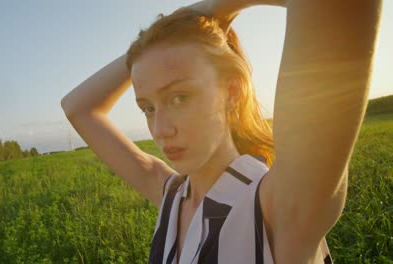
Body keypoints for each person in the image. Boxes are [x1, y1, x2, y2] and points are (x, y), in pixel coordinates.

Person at [61, 0, 382, 263]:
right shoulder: (172, 196)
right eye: (148, 107)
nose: (160, 130)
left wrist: (221, 7)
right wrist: (187, 21)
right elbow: (78, 108)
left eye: (179, 97)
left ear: (233, 92)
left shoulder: (276, 206)